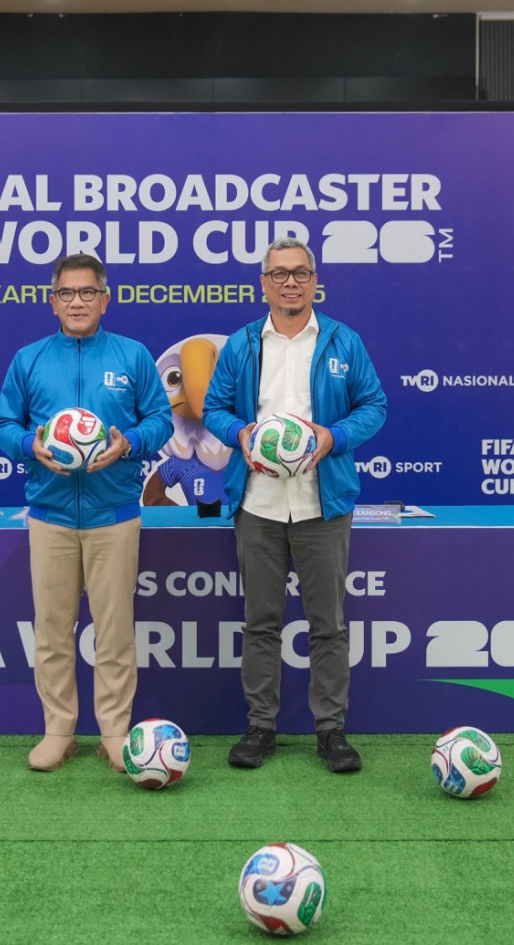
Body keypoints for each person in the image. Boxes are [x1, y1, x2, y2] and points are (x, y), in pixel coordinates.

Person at [203, 238, 387, 773]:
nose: (290, 282)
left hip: (321, 507)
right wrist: (240, 434)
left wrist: (332, 436)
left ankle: (331, 732)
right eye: (279, 273)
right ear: (263, 283)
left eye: (300, 273)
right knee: (260, 622)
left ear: (314, 281)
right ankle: (260, 727)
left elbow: (374, 405)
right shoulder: (241, 344)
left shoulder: (343, 341)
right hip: (257, 505)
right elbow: (213, 408)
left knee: (327, 624)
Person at [0, 253, 173, 772]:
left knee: (114, 633)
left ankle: (113, 733)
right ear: (53, 302)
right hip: (50, 515)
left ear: (104, 300)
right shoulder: (28, 359)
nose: (77, 302)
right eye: (67, 293)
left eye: (87, 292)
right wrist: (30, 445)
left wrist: (129, 442)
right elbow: (3, 425)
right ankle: (59, 732)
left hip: (114, 514)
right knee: (52, 631)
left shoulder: (132, 356)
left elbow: (161, 420)